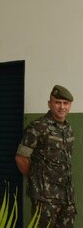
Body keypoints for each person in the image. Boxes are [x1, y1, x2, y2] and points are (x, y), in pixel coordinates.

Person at [15, 85, 76, 228]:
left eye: (65, 103)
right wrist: (35, 180)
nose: (62, 107)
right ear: (50, 103)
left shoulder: (68, 130)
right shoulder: (37, 127)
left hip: (67, 197)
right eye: (58, 102)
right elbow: (21, 158)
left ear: (70, 106)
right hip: (45, 198)